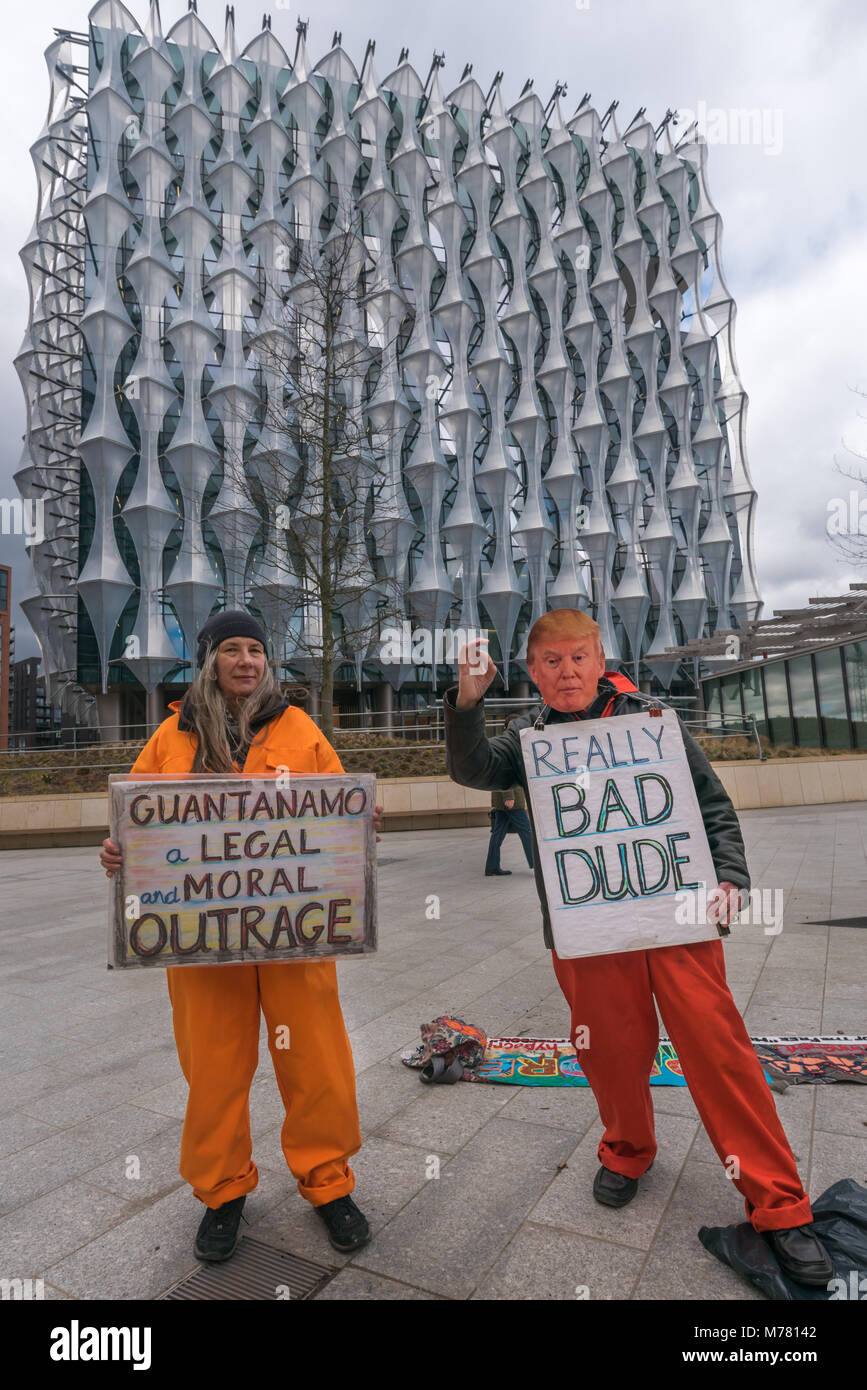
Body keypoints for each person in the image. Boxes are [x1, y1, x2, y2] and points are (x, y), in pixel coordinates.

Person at [443, 607, 833, 1287]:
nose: (565, 672)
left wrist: (731, 876)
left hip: (676, 919)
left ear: (599, 659)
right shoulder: (526, 737)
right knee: (608, 1051)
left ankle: (779, 1203)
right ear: (532, 672)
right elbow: (473, 770)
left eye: (576, 658)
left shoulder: (651, 718)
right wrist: (467, 703)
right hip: (588, 932)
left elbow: (709, 802)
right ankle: (626, 1151)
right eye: (550, 662)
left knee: (719, 1052)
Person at [100, 610, 382, 1263]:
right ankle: (222, 1194)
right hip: (204, 942)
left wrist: (359, 825)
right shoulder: (170, 737)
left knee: (316, 1059)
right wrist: (119, 852)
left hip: (293, 934)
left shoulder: (300, 727)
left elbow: (340, 809)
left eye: (256, 649)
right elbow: (137, 824)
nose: (247, 660)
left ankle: (328, 1183)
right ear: (209, 659)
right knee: (214, 1070)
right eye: (232, 649)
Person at [485, 785, 534, 876]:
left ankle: (492, 866)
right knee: (526, 832)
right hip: (512, 800)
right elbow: (505, 774)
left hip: (503, 798)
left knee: (498, 834)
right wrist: (508, 796)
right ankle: (537, 865)